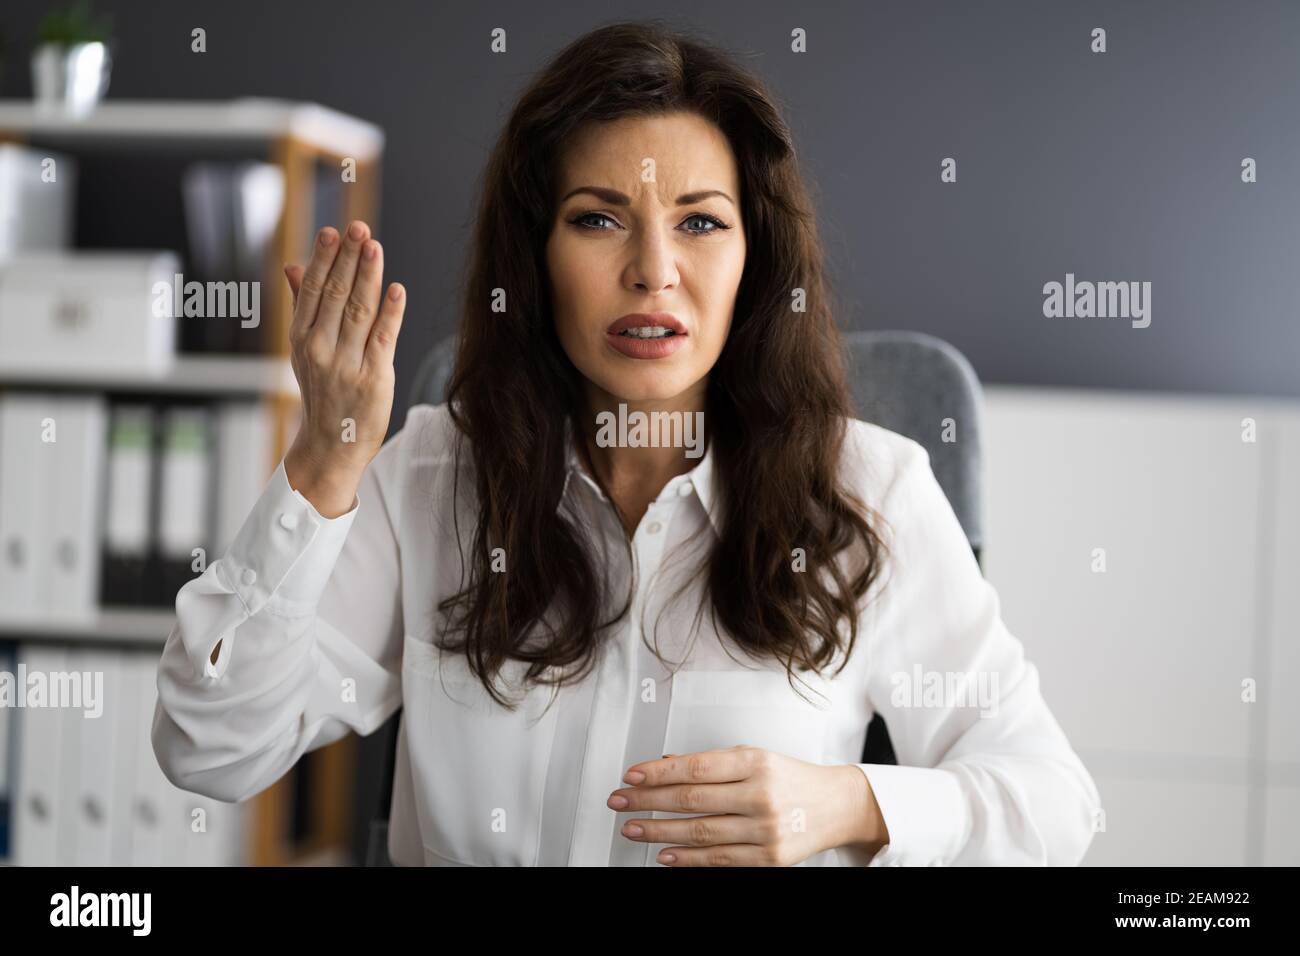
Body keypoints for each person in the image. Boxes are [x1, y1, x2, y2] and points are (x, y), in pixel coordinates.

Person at [152, 20, 1100, 866]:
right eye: (599, 219)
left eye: (700, 222)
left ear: (753, 260)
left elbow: (1055, 806)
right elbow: (209, 748)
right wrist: (325, 459)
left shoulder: (872, 494)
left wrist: (845, 805)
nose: (653, 272)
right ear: (536, 259)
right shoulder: (433, 474)